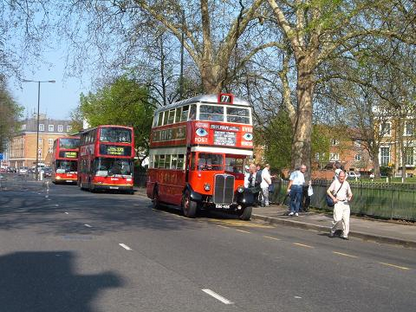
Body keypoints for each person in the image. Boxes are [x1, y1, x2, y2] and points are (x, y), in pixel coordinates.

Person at [327, 170, 353, 239]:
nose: (341, 178)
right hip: (338, 203)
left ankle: (345, 234)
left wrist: (350, 197)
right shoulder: (335, 182)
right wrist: (333, 198)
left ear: (345, 177)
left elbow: (350, 193)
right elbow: (328, 191)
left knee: (346, 220)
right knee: (337, 219)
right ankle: (332, 231)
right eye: (340, 176)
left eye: (343, 176)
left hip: (345, 203)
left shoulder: (346, 183)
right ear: (338, 176)